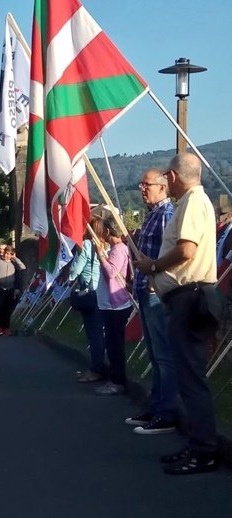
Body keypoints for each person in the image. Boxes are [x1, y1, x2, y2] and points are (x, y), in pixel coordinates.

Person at [135, 152, 220, 474]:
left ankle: (205, 449)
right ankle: (198, 444)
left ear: (171, 177)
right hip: (186, 296)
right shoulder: (190, 203)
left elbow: (187, 250)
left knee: (191, 378)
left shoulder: (193, 202)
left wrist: (154, 266)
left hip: (191, 295)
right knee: (187, 376)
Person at [125, 169, 177, 434]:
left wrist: (156, 273)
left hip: (157, 292)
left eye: (146, 184)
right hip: (145, 290)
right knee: (155, 355)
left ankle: (166, 412)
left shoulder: (167, 214)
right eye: (141, 184)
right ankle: (156, 407)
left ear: (162, 187)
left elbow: (174, 253)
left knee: (164, 355)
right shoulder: (152, 215)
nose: (142, 189)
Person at [93, 215, 132, 396]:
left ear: (109, 231)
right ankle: (114, 378)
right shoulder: (117, 249)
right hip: (109, 304)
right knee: (111, 343)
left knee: (115, 344)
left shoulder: (118, 249)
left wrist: (101, 255)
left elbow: (111, 272)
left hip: (116, 304)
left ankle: (118, 380)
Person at [69, 216, 104, 383]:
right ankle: (98, 366)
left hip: (88, 292)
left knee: (93, 333)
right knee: (100, 332)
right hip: (102, 292)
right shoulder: (106, 245)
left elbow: (75, 270)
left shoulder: (87, 245)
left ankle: (97, 368)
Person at [0, 243, 26, 336]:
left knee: (7, 308)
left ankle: (6, 328)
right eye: (6, 253)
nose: (7, 255)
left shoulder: (13, 262)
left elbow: (23, 267)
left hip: (10, 288)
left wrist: (15, 258)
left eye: (9, 254)